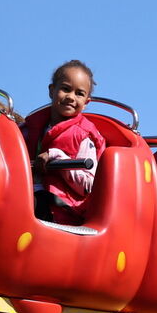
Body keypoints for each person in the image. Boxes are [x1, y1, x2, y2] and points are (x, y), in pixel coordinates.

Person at [20, 60, 107, 225]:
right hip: (27, 192)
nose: (70, 97)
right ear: (52, 91)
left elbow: (88, 185)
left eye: (79, 93)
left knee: (22, 206)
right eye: (65, 89)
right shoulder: (31, 127)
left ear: (87, 102)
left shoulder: (83, 136)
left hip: (60, 208)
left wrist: (58, 159)